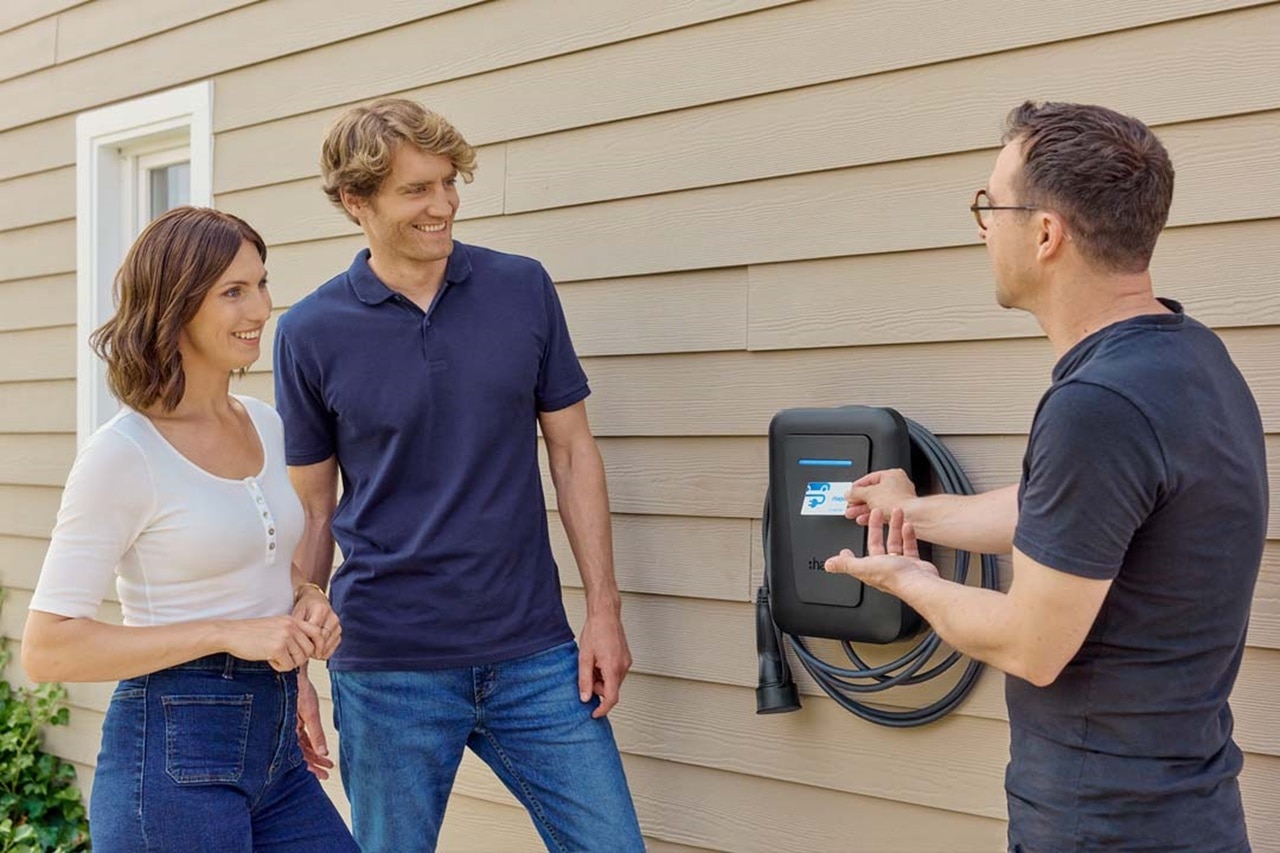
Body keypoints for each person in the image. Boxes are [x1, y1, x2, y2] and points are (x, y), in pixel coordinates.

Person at [826, 102, 1265, 852]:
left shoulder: (1096, 405)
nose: (983, 227)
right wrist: (919, 512)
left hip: (1105, 824)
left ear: (1046, 233)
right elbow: (1070, 512)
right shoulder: (1191, 359)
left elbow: (1032, 643)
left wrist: (906, 579)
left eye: (989, 205)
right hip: (1190, 809)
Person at [273, 97, 644, 852]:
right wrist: (294, 674)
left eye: (449, 182)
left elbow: (572, 452)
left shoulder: (522, 288)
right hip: (388, 670)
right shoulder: (310, 332)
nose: (443, 205)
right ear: (356, 202)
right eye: (417, 190)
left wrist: (603, 610)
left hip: (535, 655)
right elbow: (312, 514)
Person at [22, 207, 359, 852]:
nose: (259, 308)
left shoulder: (263, 423)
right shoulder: (125, 453)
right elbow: (48, 648)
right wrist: (228, 633)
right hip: (172, 752)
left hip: (275, 745)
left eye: (261, 284)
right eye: (233, 292)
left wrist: (307, 598)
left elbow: (256, 558)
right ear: (175, 307)